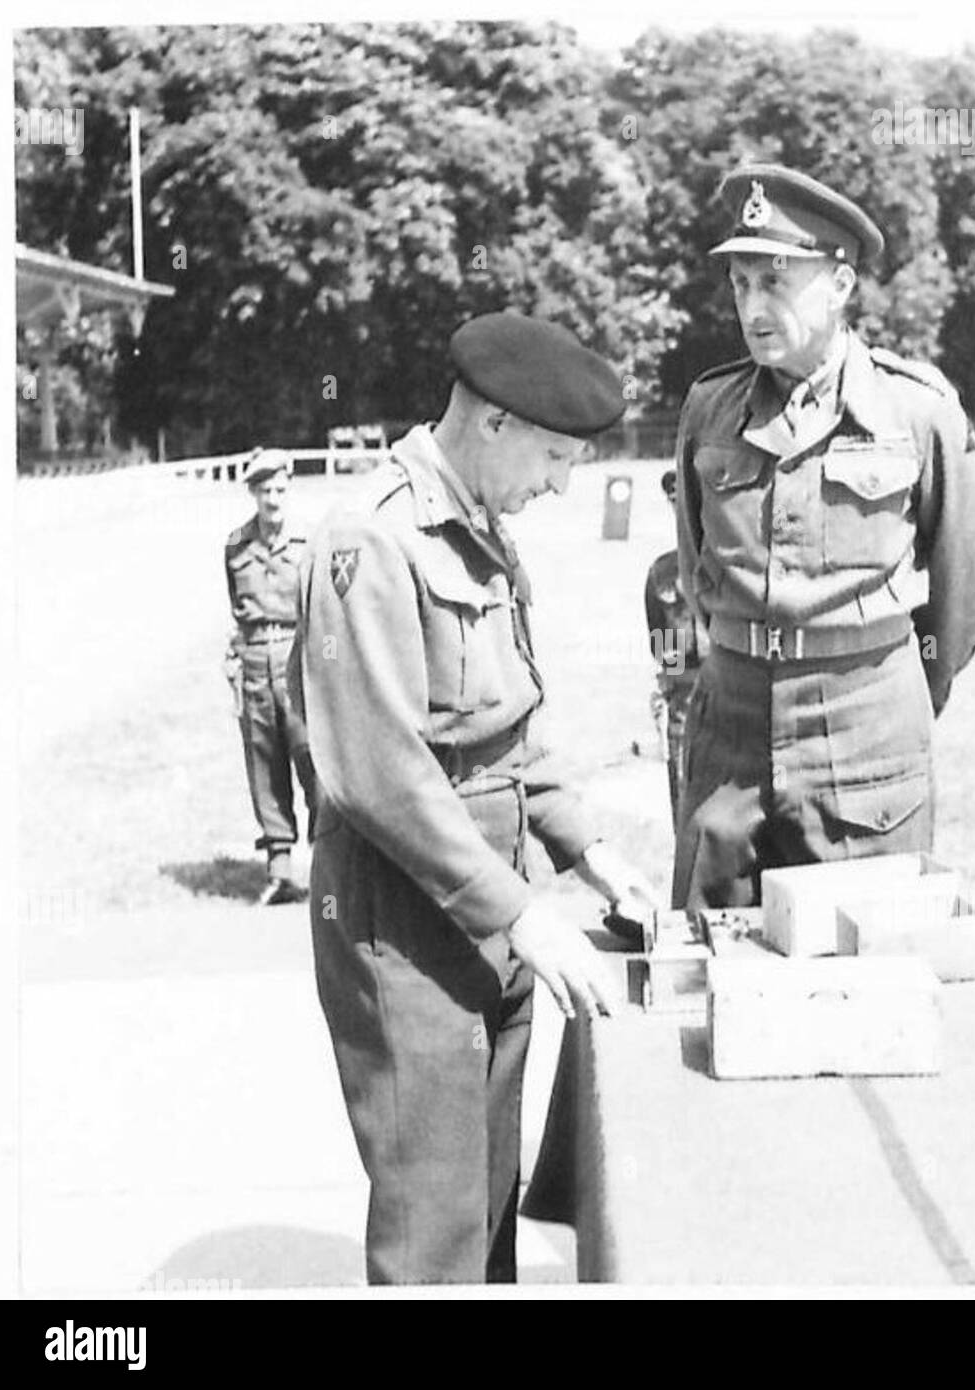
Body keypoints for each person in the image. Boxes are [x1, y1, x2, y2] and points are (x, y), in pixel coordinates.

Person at [292, 313, 659, 1285]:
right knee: (434, 1233)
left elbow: (505, 729)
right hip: (409, 930)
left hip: (493, 916)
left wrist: (585, 849)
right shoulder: (371, 537)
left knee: (488, 1205)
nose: (559, 483)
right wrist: (521, 912)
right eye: (551, 455)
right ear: (491, 423)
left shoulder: (476, 524)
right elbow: (376, 771)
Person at [672, 164, 975, 909]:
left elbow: (968, 587)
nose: (751, 307)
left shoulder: (915, 413)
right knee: (711, 974)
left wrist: (904, 686)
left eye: (775, 281)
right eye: (739, 284)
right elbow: (697, 570)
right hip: (729, 733)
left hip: (867, 737)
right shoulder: (708, 409)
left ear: (840, 286)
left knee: (866, 973)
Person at [223, 448, 317, 906]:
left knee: (312, 757)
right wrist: (235, 658)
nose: (273, 499)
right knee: (263, 760)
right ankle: (280, 869)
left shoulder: (308, 541)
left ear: (288, 490)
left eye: (279, 489)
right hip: (254, 657)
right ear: (253, 494)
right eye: (264, 491)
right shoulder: (236, 545)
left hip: (298, 656)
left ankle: (327, 864)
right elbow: (236, 610)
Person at [644, 468, 709, 822]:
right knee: (685, 819)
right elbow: (665, 654)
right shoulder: (662, 574)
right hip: (684, 713)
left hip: (737, 705)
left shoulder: (739, 566)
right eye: (676, 503)